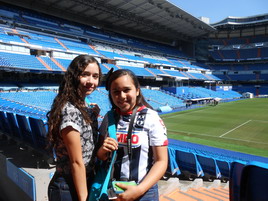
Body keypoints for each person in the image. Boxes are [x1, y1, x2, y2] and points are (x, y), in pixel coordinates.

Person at [97, 69, 168, 201]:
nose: (122, 96)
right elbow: (100, 157)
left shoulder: (151, 117)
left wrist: (139, 190)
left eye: (126, 90)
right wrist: (102, 150)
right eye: (116, 92)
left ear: (137, 90)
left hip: (144, 192)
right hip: (113, 190)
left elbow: (161, 161)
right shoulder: (109, 118)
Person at [46, 55, 102, 201]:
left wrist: (92, 117)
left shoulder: (82, 106)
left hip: (79, 182)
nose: (91, 81)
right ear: (74, 76)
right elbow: (77, 162)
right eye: (85, 74)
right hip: (68, 187)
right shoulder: (70, 110)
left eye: (95, 76)